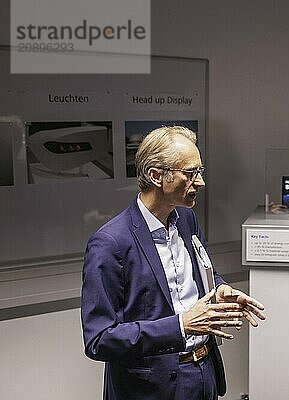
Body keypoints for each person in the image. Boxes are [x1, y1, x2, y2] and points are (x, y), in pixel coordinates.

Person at [81, 126, 266, 400]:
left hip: (204, 373)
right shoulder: (110, 243)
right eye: (191, 173)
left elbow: (203, 274)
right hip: (150, 388)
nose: (201, 182)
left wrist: (220, 289)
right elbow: (100, 339)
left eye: (200, 172)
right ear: (157, 176)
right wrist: (181, 326)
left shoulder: (187, 219)